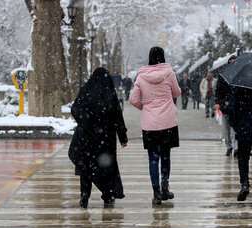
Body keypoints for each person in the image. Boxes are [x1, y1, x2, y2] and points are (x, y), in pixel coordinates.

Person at [68, 67, 128, 209]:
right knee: (106, 167)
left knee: (86, 169)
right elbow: (117, 116)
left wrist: (85, 121)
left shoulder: (86, 90)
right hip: (105, 138)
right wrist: (122, 137)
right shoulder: (109, 93)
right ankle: (108, 195)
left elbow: (75, 108)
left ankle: (84, 196)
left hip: (87, 137)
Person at [130, 46, 181, 205]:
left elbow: (133, 99)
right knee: (165, 156)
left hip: (150, 124)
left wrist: (145, 107)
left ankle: (156, 192)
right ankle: (165, 187)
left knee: (153, 158)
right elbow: (177, 92)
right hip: (168, 122)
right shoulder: (169, 73)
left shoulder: (141, 76)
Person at [215, 55, 238, 157]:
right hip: (226, 106)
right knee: (226, 128)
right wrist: (221, 103)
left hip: (236, 107)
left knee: (235, 129)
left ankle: (236, 147)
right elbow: (218, 92)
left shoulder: (240, 76)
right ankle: (229, 146)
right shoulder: (223, 76)